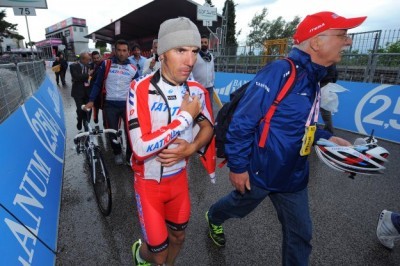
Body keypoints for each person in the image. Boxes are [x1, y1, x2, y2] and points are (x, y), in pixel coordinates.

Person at [205, 11, 366, 265]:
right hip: (260, 171)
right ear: (316, 42)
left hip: (294, 176)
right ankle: (213, 216)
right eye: (342, 35)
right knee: (238, 206)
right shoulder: (280, 71)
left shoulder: (314, 78)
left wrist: (326, 138)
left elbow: (302, 125)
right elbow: (242, 123)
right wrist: (237, 167)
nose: (348, 42)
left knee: (301, 234)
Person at [127, 17, 214, 266]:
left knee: (178, 237)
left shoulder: (197, 90)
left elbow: (208, 127)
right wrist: (184, 118)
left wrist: (193, 147)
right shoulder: (139, 88)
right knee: (157, 253)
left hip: (178, 181)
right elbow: (140, 147)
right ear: (162, 53)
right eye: (180, 51)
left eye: (194, 51)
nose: (190, 61)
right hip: (148, 185)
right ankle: (140, 254)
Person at [84, 39, 139, 165]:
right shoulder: (106, 64)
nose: (121, 53)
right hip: (110, 105)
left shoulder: (133, 68)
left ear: (128, 52)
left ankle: (129, 156)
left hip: (127, 105)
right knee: (112, 131)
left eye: (124, 51)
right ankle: (117, 152)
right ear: (115, 51)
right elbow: (97, 84)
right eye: (119, 50)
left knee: (130, 132)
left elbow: (139, 86)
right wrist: (91, 100)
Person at [70, 52, 92, 131]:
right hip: (77, 92)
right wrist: (88, 74)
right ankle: (79, 120)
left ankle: (86, 123)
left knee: (88, 109)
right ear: (82, 59)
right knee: (80, 109)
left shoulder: (89, 66)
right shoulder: (73, 66)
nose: (89, 61)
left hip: (87, 92)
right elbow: (76, 77)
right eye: (87, 60)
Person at [192, 34, 215, 106]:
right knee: (198, 108)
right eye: (201, 42)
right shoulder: (195, 55)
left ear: (208, 44)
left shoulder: (211, 56)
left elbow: (212, 70)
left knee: (209, 107)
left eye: (205, 42)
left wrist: (212, 82)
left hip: (209, 87)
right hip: (198, 88)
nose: (203, 44)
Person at [320, 64, 338, 133]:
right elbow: (335, 74)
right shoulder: (332, 60)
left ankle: (329, 130)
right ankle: (328, 130)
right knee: (325, 109)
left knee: (324, 109)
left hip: (323, 84)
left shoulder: (325, 59)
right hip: (327, 84)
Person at [88, 51, 104, 125]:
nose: (96, 59)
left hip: (102, 89)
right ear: (92, 59)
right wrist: (89, 75)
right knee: (96, 105)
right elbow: (88, 78)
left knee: (104, 107)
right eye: (94, 58)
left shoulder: (104, 65)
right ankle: (95, 117)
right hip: (94, 89)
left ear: (100, 57)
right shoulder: (90, 66)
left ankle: (105, 122)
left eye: (98, 58)